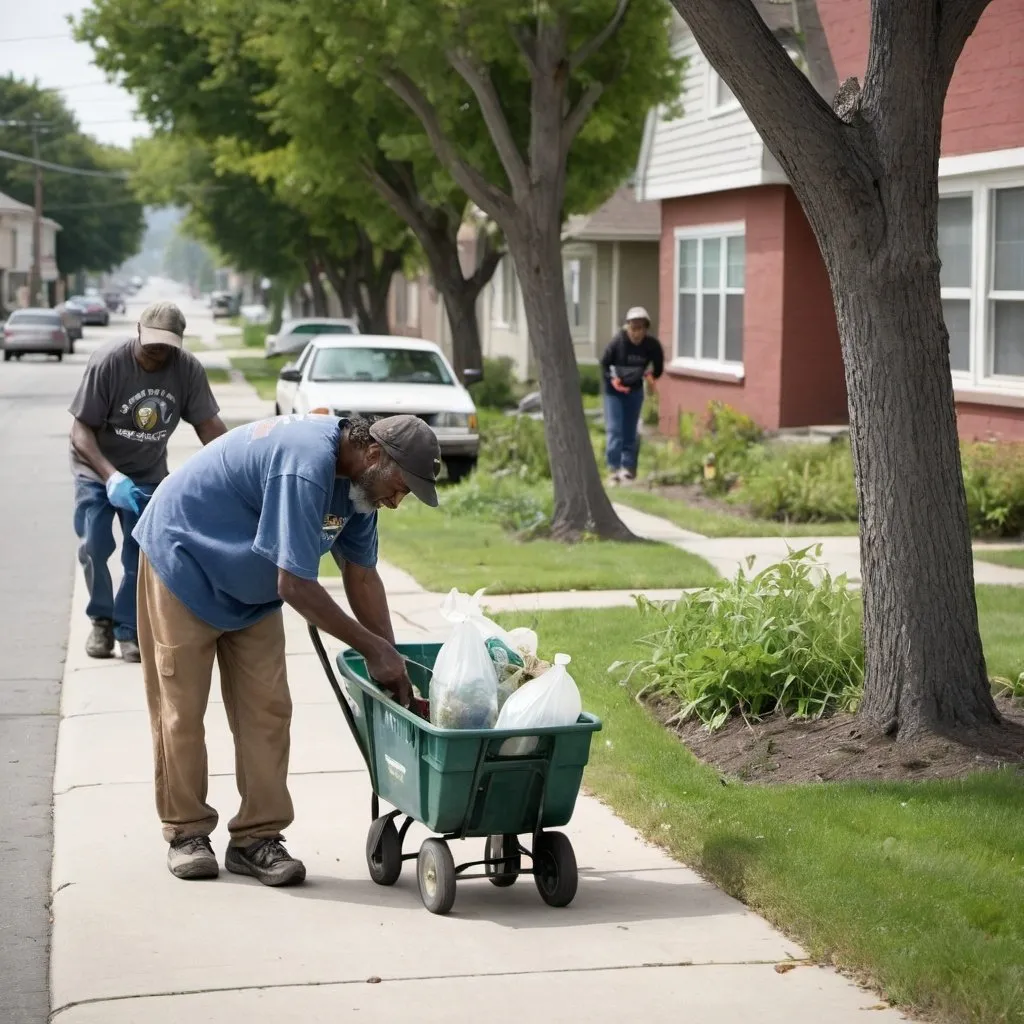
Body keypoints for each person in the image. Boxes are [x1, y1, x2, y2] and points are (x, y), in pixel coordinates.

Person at [131, 412, 442, 887]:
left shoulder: (361, 491)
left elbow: (361, 575)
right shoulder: (306, 461)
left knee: (268, 710)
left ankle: (257, 838)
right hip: (184, 562)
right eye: (400, 487)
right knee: (182, 710)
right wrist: (371, 649)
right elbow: (295, 584)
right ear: (375, 455)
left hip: (251, 593)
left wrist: (390, 658)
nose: (397, 502)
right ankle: (187, 832)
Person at [68, 301, 227, 663]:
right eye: (151, 341)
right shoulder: (109, 362)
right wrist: (110, 477)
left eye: (166, 343)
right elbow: (81, 430)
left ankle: (128, 628)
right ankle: (101, 620)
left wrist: (237, 465)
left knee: (140, 553)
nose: (157, 350)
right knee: (94, 545)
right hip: (95, 469)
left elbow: (209, 427)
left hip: (147, 473)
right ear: (138, 331)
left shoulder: (186, 371)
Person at [599, 306, 664, 484]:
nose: (636, 333)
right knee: (614, 429)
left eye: (640, 329)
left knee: (630, 429)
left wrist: (650, 375)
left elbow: (658, 367)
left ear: (645, 329)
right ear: (627, 327)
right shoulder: (617, 343)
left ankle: (627, 468)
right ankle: (613, 468)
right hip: (614, 392)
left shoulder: (651, 346)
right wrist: (613, 380)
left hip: (634, 391)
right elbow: (604, 365)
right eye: (633, 328)